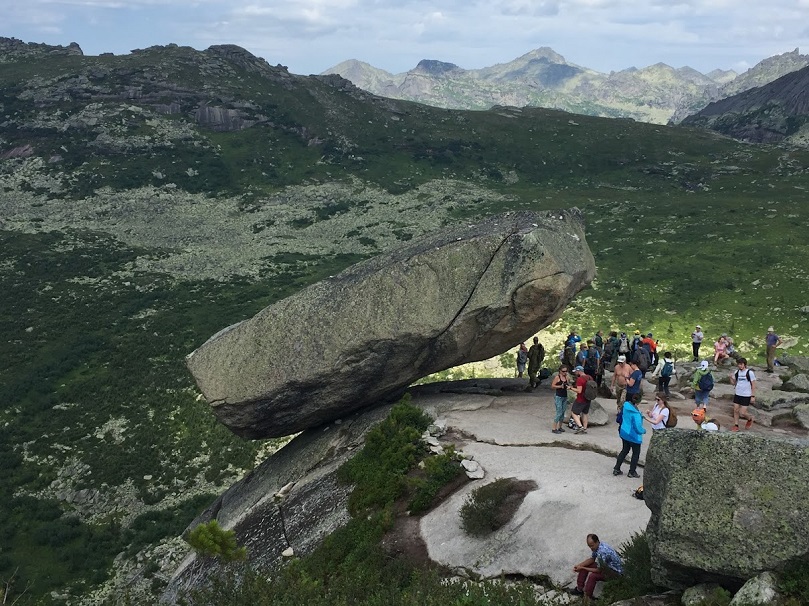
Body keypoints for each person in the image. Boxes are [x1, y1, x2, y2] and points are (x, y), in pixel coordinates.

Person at [570, 533, 623, 599]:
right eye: (589, 546)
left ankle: (588, 597)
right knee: (587, 565)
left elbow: (598, 570)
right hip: (607, 567)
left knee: (593, 576)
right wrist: (579, 566)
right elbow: (592, 559)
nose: (591, 548)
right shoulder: (599, 546)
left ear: (597, 541)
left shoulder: (602, 551)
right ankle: (579, 589)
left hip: (615, 573)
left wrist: (583, 568)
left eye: (592, 546)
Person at [614, 393, 645, 478]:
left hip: (624, 432)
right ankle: (632, 471)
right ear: (639, 402)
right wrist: (643, 431)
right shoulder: (636, 414)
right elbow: (638, 428)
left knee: (624, 450)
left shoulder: (625, 406)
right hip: (634, 436)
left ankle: (616, 468)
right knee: (636, 453)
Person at [729, 357, 756, 432]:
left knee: (742, 412)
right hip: (738, 394)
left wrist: (753, 396)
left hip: (746, 395)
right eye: (738, 364)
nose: (740, 366)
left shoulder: (749, 373)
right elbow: (734, 383)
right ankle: (736, 425)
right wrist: (731, 378)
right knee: (736, 410)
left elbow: (753, 384)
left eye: (741, 364)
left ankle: (750, 418)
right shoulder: (737, 372)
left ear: (744, 364)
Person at [567, 366, 592, 434]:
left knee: (574, 413)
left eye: (575, 372)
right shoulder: (589, 377)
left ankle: (580, 427)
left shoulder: (580, 379)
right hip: (588, 398)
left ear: (578, 371)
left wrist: (571, 388)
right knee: (585, 413)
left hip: (581, 399)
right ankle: (585, 428)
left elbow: (579, 391)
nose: (575, 373)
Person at [550, 365, 570, 434]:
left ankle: (560, 427)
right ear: (560, 371)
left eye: (566, 371)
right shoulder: (557, 377)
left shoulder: (567, 377)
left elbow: (569, 384)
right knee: (559, 412)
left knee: (563, 412)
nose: (565, 373)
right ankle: (554, 428)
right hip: (558, 396)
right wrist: (559, 386)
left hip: (565, 396)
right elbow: (552, 386)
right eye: (563, 371)